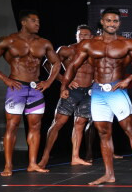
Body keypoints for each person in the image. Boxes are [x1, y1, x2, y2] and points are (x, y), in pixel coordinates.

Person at [60, 8, 132, 185]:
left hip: (117, 91)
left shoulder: (128, 43)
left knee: (130, 130)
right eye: (108, 20)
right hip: (98, 92)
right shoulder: (89, 44)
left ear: (119, 23)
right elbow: (73, 66)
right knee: (103, 133)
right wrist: (64, 85)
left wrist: (128, 79)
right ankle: (109, 174)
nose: (111, 24)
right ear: (102, 22)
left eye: (115, 21)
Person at [0, 10, 60, 176]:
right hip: (16, 88)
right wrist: (5, 79)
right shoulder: (8, 40)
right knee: (12, 125)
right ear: (24, 22)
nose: (37, 24)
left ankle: (32, 164)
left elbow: (56, 63)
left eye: (38, 21)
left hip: (36, 89)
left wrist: (48, 82)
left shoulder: (44, 42)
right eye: (34, 21)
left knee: (36, 126)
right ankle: (8, 165)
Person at [38, 25, 95, 169]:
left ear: (91, 37)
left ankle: (75, 157)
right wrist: (65, 80)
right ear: (76, 36)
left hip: (88, 92)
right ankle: (45, 157)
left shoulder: (95, 52)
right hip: (71, 91)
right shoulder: (67, 50)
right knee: (58, 122)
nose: (82, 37)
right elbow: (48, 65)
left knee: (80, 123)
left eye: (86, 35)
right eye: (80, 34)